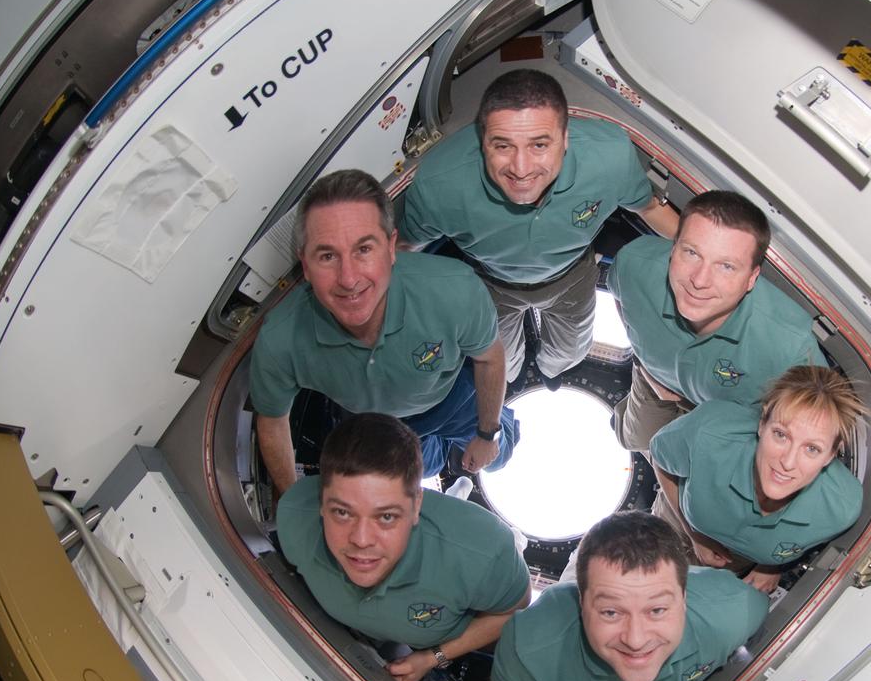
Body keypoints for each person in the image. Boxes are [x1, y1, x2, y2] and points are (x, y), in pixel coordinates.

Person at [399, 68, 680, 384]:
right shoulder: (440, 184)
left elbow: (650, 207)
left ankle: (552, 371)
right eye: (502, 146)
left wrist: (708, 255)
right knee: (501, 362)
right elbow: (405, 249)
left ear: (566, 138)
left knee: (570, 350)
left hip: (572, 276)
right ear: (482, 141)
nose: (521, 169)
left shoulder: (608, 158)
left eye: (539, 145)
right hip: (491, 285)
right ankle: (515, 376)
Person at [250, 169, 517, 495]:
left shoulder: (454, 291)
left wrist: (488, 434)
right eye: (327, 256)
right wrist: (292, 500)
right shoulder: (281, 341)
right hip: (380, 421)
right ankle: (443, 458)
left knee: (499, 455)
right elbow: (272, 419)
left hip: (451, 399)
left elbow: (490, 358)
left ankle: (476, 440)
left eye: (364, 249)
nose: (349, 279)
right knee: (418, 468)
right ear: (305, 265)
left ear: (391, 248)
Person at [276, 413, 530, 681]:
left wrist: (434, 657)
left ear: (416, 504)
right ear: (322, 503)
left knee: (515, 542)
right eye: (342, 512)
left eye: (386, 516)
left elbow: (511, 610)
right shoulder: (295, 518)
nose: (361, 540)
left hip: (458, 538)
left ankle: (475, 504)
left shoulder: (486, 555)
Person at [489, 511, 768, 681]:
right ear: (582, 605)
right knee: (578, 570)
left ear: (684, 600)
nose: (635, 640)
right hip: (566, 600)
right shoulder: (529, 648)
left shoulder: (735, 611)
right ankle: (578, 556)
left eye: (657, 610)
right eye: (611, 612)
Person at [607, 190, 828, 452]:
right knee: (634, 440)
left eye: (726, 266)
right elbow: (621, 296)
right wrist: (645, 366)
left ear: (752, 278)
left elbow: (819, 426)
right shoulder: (634, 264)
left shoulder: (791, 348)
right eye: (692, 253)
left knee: (681, 467)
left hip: (725, 421)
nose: (700, 280)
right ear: (673, 248)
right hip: (653, 380)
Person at [650, 365, 868, 594]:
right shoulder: (708, 433)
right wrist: (694, 535)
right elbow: (660, 460)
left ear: (831, 455)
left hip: (734, 563)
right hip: (675, 522)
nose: (788, 462)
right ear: (762, 423)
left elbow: (797, 545)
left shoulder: (840, 510)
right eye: (781, 435)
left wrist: (771, 565)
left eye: (812, 448)